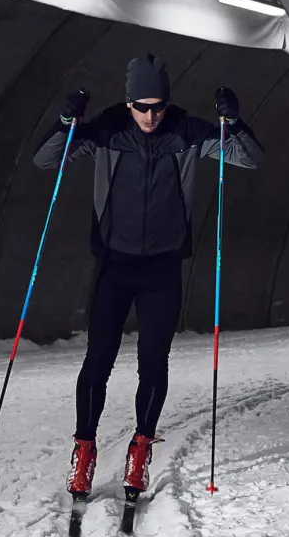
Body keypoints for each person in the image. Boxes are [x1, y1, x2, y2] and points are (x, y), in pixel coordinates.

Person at [33, 54, 264, 500]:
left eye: (158, 106)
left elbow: (250, 159)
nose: (151, 115)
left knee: (153, 362)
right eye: (142, 106)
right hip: (114, 267)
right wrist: (66, 120)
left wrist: (233, 122)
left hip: (162, 268)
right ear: (128, 101)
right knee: (97, 361)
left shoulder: (189, 132)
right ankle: (84, 449)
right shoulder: (107, 130)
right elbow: (47, 161)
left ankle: (140, 448)